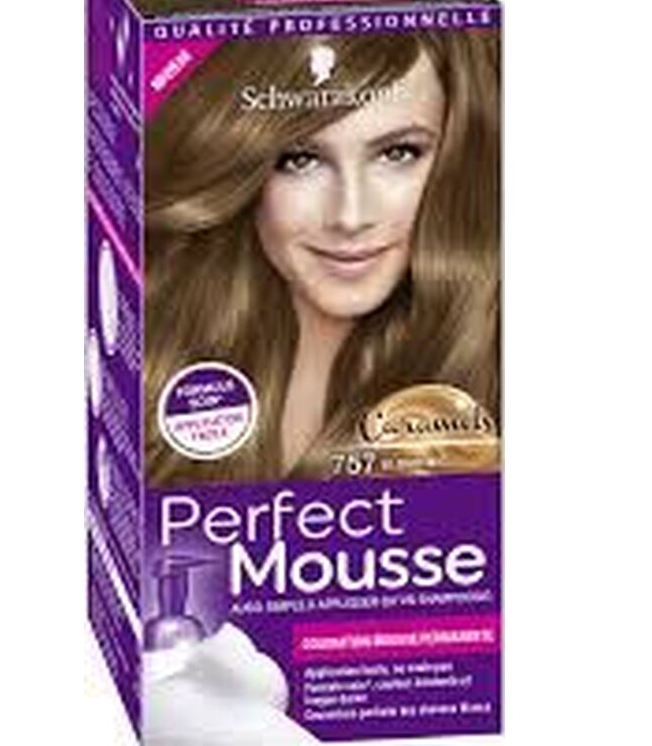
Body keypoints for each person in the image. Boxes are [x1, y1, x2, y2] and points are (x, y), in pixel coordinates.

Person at [144, 29, 500, 486]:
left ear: (456, 157)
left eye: (398, 153)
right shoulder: (157, 351)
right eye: (300, 160)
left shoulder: (496, 367)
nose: (350, 217)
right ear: (241, 169)